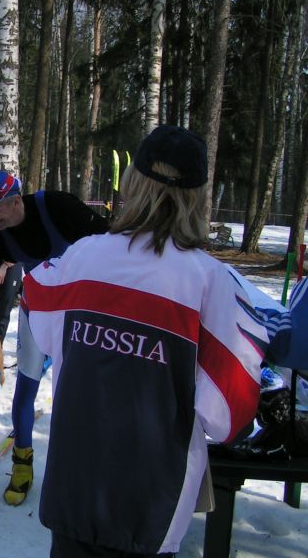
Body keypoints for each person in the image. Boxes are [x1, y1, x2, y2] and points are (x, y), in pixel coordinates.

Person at [21, 125, 265, 557]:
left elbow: (37, 302)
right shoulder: (210, 282)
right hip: (150, 504)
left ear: (132, 181)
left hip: (74, 487)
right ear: (196, 197)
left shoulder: (83, 256)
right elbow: (230, 415)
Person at [0, 170, 108, 506]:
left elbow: (111, 241)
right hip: (37, 311)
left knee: (77, 393)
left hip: (80, 315)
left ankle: (79, 469)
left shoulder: (57, 206)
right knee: (25, 389)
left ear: (16, 201)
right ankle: (22, 462)